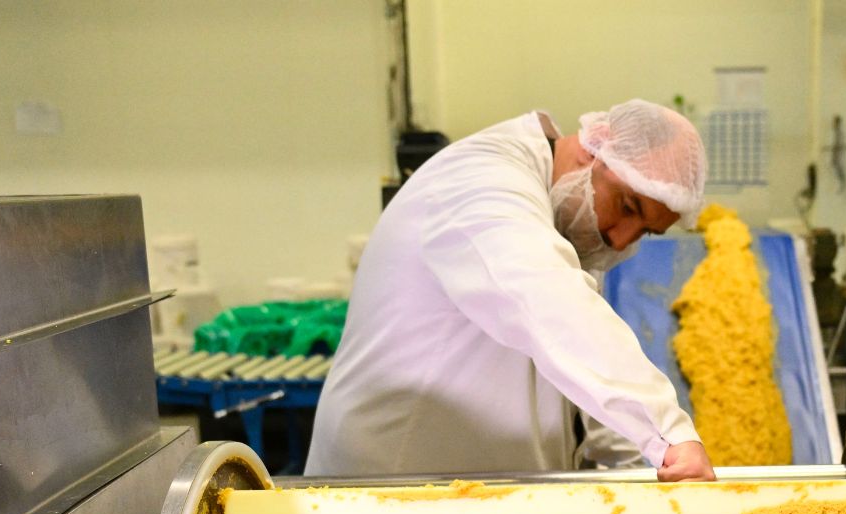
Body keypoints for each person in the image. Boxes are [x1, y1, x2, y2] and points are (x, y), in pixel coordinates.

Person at [304, 100, 717, 482]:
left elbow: (580, 365)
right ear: (593, 151)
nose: (621, 238)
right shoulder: (482, 182)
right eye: (627, 207)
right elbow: (548, 304)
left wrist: (645, 466)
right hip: (382, 492)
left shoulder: (569, 227)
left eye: (644, 231)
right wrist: (669, 434)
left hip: (466, 502)